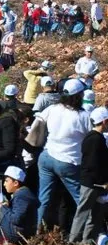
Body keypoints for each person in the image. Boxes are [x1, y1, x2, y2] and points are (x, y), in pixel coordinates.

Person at [33, 79, 91, 228]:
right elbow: (93, 139)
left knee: (43, 198)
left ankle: (37, 230)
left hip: (47, 157)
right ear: (78, 96)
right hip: (68, 161)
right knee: (82, 199)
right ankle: (90, 233)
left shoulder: (53, 108)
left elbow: (37, 124)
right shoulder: (83, 116)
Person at [68, 107, 108, 245]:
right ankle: (73, 242)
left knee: (95, 214)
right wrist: (102, 182)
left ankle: (87, 243)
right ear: (104, 121)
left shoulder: (91, 137)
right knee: (84, 212)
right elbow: (94, 164)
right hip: (93, 183)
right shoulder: (96, 140)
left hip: (93, 182)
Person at [0, 166, 37, 245]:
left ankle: (4, 238)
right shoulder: (25, 193)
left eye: (6, 181)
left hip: (18, 235)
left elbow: (16, 220)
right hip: (25, 232)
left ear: (16, 183)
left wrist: (3, 207)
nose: (4, 184)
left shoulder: (21, 196)